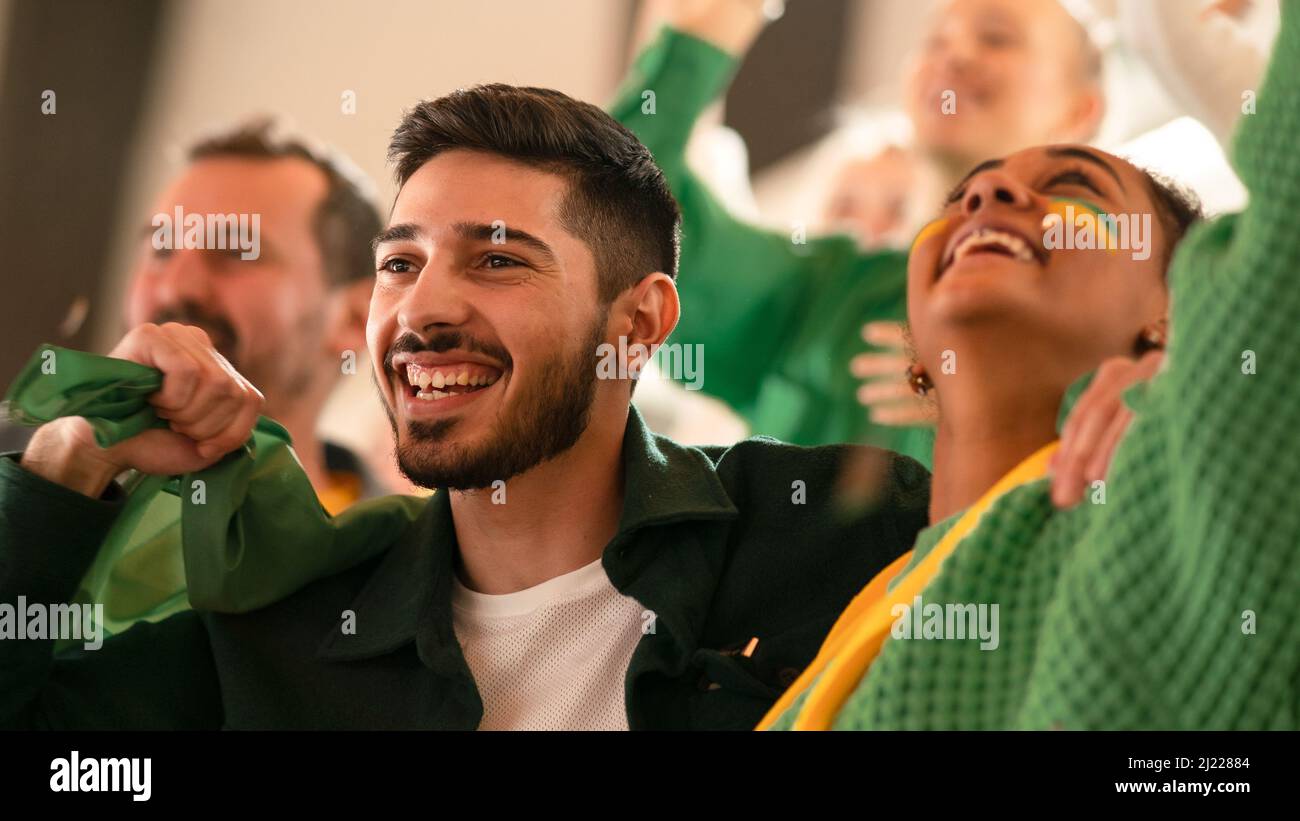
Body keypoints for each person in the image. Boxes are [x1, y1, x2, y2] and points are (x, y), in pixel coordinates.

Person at [0, 84, 929, 730]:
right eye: (399, 263)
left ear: (639, 320)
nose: (421, 309)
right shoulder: (282, 634)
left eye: (496, 260)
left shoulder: (825, 537)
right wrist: (68, 461)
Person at [759, 1, 1299, 730]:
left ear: (1172, 315)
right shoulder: (842, 609)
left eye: (1075, 189)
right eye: (961, 198)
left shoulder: (1173, 498)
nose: (987, 194)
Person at [610, 0, 1105, 465]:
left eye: (997, 39)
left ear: (1080, 111)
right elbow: (622, 213)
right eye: (934, 42)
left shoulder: (1116, 300)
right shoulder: (823, 288)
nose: (953, 56)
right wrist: (717, 24)